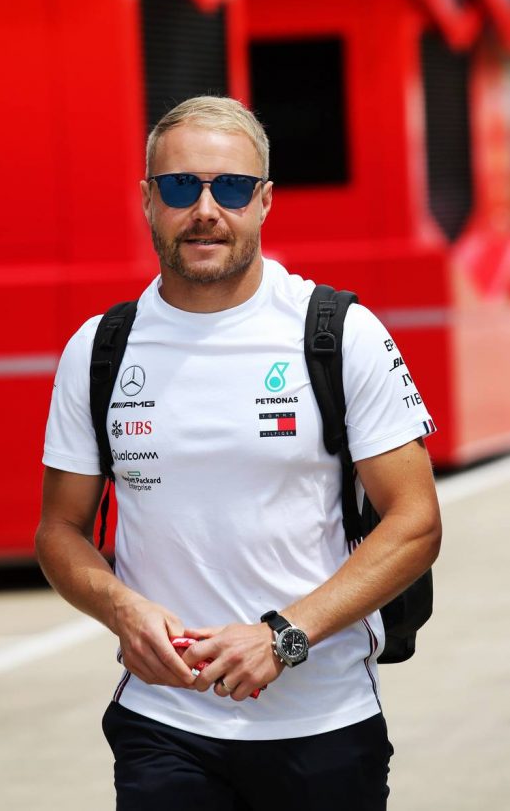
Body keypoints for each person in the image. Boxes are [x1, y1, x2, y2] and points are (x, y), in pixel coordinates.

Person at [35, 95, 442, 810]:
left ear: (263, 201)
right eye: (178, 186)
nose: (203, 209)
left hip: (323, 725)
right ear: (146, 200)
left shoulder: (337, 332)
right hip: (165, 726)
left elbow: (414, 522)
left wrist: (284, 635)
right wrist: (121, 609)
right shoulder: (98, 348)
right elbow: (59, 530)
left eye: (228, 187)